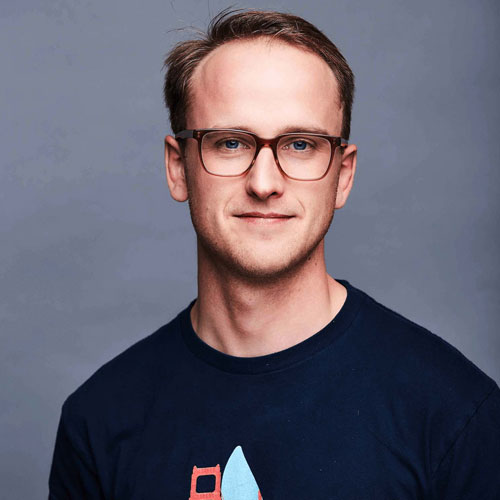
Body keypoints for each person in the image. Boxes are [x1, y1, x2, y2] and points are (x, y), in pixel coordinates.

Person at [48, 8, 500, 499]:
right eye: (230, 143)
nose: (264, 183)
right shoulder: (99, 419)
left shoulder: (456, 413)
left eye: (301, 144)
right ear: (178, 168)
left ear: (343, 175)